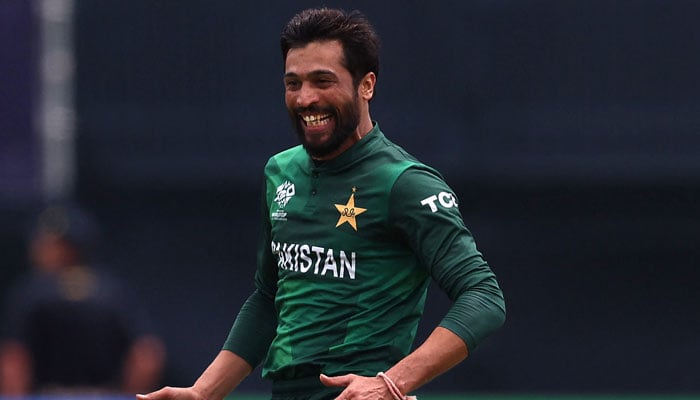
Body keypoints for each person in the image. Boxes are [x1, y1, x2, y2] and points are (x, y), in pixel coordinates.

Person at [138, 7, 505, 400]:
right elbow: (268, 299)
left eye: (322, 81)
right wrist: (203, 392)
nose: (305, 98)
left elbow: (484, 296)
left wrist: (392, 382)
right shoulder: (280, 171)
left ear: (366, 85)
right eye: (292, 83)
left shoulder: (405, 183)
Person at [0, 203, 166, 395]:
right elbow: (147, 355)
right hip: (104, 396)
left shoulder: (32, 291)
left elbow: (14, 358)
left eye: (48, 244)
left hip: (49, 395)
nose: (39, 249)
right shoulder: (111, 291)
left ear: (70, 248)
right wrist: (129, 396)